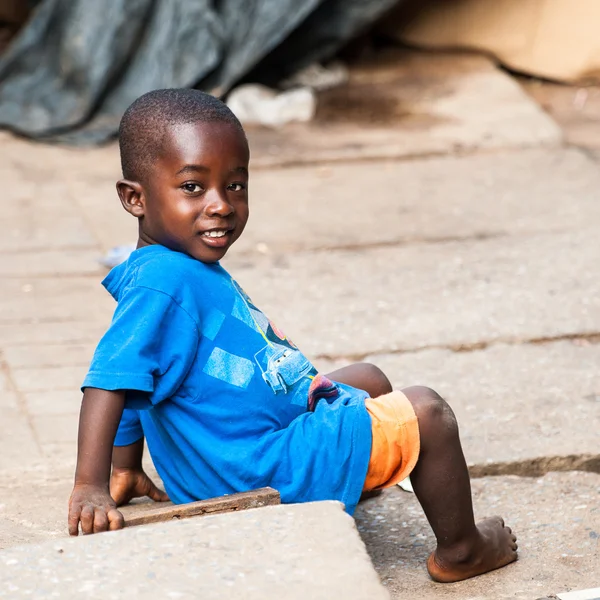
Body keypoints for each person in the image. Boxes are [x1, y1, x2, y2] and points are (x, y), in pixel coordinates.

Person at [68, 88, 517, 583]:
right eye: (193, 187)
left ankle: (347, 477)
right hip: (251, 467)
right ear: (135, 197)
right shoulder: (163, 282)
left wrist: (125, 468)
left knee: (369, 378)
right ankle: (463, 551)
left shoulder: (173, 265)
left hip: (255, 437)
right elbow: (110, 380)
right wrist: (90, 486)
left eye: (235, 185)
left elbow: (139, 376)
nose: (220, 205)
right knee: (428, 413)